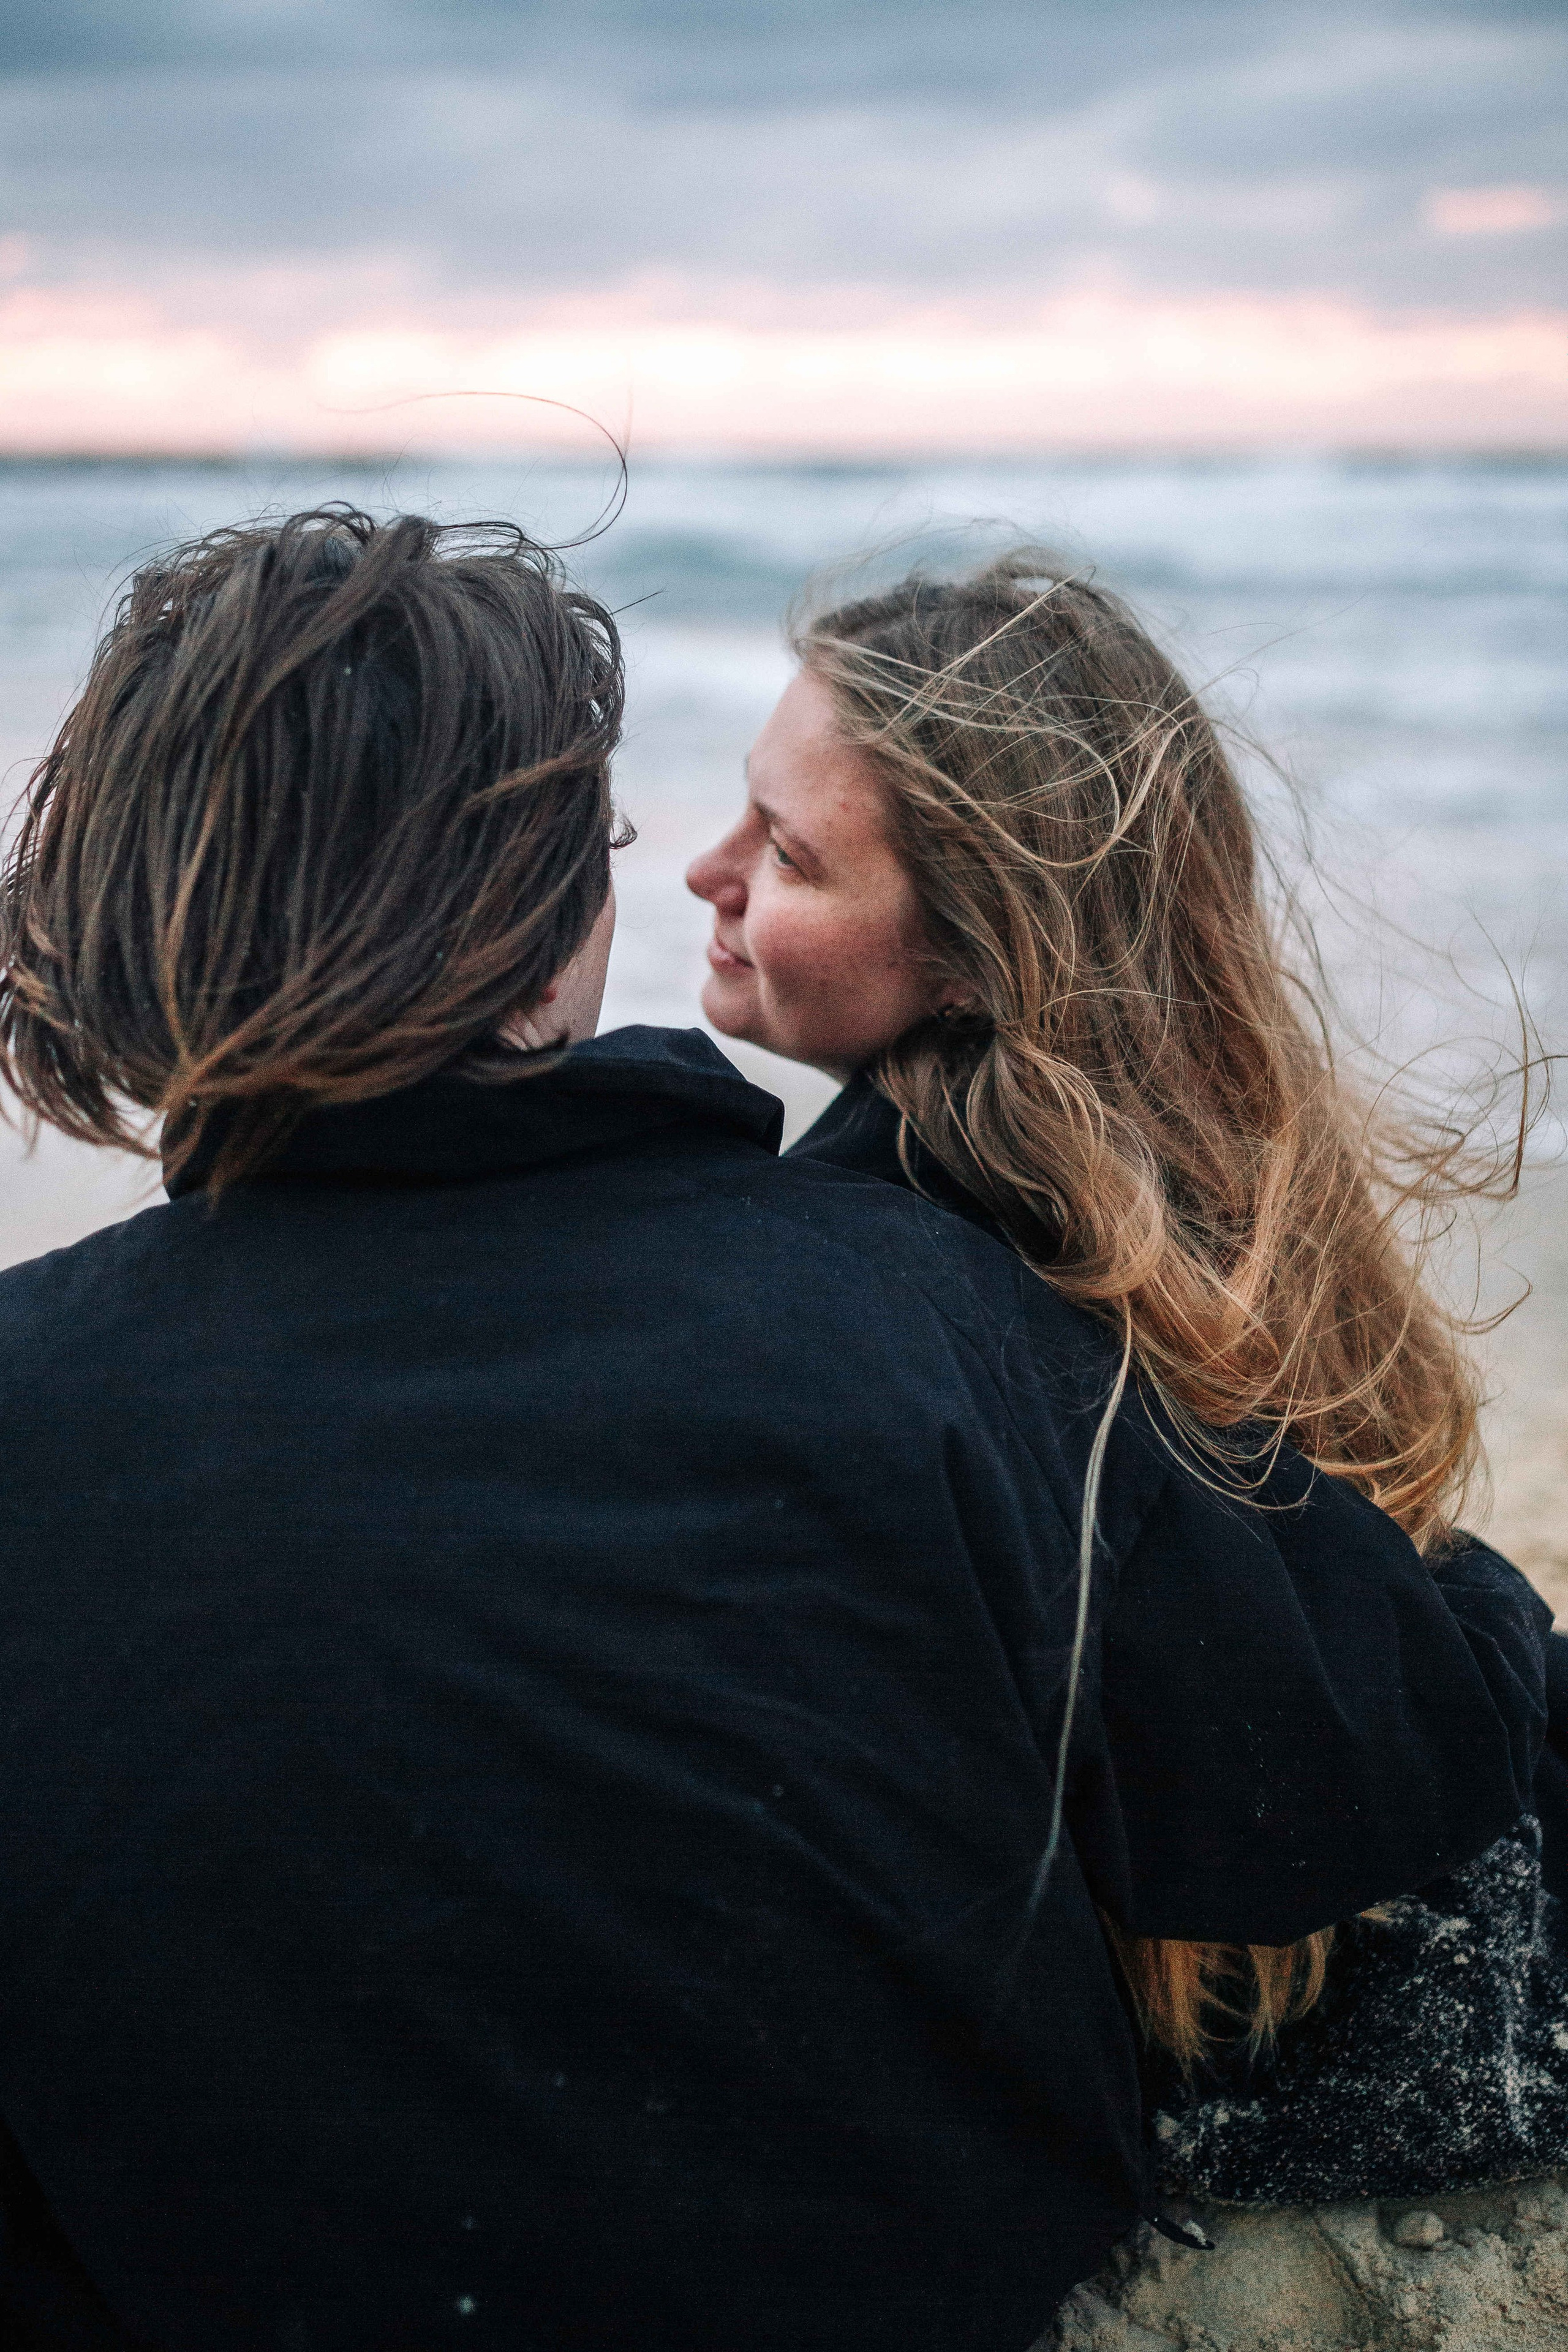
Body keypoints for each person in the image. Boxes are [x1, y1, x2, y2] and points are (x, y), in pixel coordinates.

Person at [0, 513, 1545, 2352]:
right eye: (611, 844)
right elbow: (1383, 1767)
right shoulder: (926, 1323)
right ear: (545, 942)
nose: (688, 877)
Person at [686, 548, 1568, 2190]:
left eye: (788, 854)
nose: (705, 870)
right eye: (747, 810)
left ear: (975, 955)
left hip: (1215, 2035)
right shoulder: (1209, 1183)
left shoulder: (901, 1275)